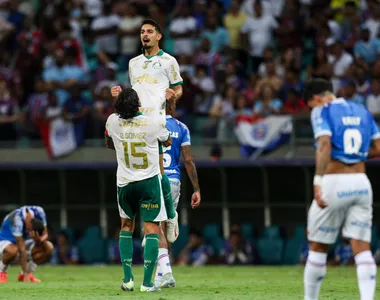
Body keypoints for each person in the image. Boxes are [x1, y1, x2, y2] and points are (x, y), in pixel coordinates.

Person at [303, 78, 379, 300]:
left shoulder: (321, 111)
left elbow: (325, 144)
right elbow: (378, 147)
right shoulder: (362, 110)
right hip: (362, 183)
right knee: (362, 247)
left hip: (334, 181)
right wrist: (358, 154)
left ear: (316, 98)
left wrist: (317, 181)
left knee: (317, 246)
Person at [111, 19, 183, 244]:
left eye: (150, 31)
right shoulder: (133, 63)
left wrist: (174, 94)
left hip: (156, 121)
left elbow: (179, 86)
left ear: (159, 36)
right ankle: (164, 218)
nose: (145, 34)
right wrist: (121, 95)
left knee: (159, 171)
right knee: (139, 174)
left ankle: (170, 216)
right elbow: (135, 93)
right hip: (137, 121)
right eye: (143, 31)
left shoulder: (169, 61)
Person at [105, 88, 172, 292]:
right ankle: (147, 284)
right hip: (148, 182)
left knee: (126, 226)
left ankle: (127, 281)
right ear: (138, 104)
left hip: (124, 183)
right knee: (151, 229)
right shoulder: (152, 123)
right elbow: (167, 140)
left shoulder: (112, 121)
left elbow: (108, 142)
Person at [153, 100, 201, 288]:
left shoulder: (152, 124)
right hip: (174, 181)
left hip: (156, 179)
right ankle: (162, 274)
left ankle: (167, 274)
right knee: (164, 228)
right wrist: (196, 189)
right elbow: (188, 160)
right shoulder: (182, 127)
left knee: (155, 228)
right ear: (172, 107)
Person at [0, 206, 54, 283]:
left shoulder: (39, 211)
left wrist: (38, 240)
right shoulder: (17, 219)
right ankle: (1, 272)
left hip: (23, 241)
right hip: (5, 240)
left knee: (49, 247)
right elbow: (21, 248)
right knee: (13, 250)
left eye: (29, 230)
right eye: (28, 229)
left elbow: (45, 234)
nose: (28, 231)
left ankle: (26, 274)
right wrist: (25, 274)